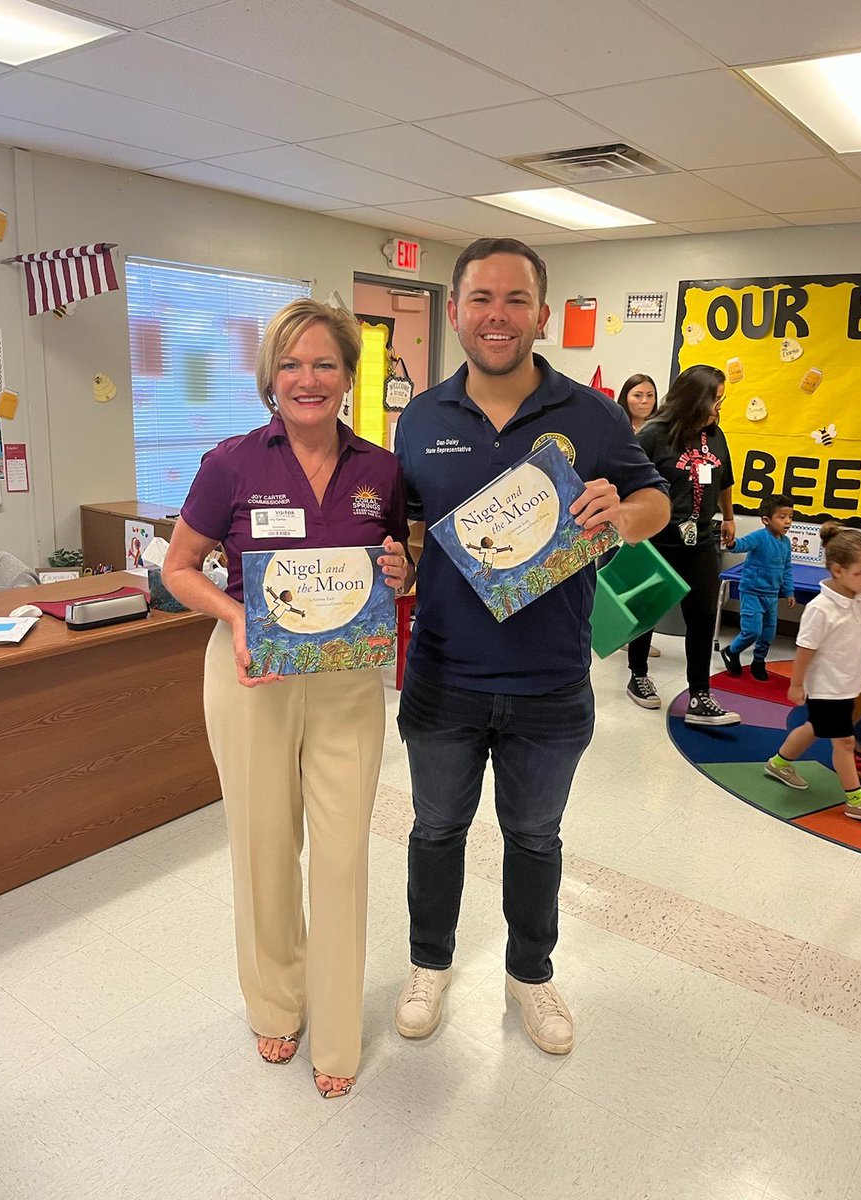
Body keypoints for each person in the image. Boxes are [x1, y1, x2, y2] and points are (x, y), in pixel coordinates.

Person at [392, 238, 670, 1055]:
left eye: (516, 300)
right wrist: (392, 562)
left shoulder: (593, 415)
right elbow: (407, 528)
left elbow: (653, 498)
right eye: (481, 298)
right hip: (443, 674)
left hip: (551, 680)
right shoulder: (423, 417)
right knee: (435, 831)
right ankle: (429, 964)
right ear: (455, 312)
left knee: (536, 838)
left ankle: (532, 974)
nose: (498, 315)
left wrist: (620, 516)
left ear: (542, 314)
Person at [162, 298, 411, 1100]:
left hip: (346, 686)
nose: (308, 379)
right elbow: (179, 569)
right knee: (265, 849)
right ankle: (275, 1002)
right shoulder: (230, 462)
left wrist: (402, 572)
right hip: (251, 681)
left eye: (325, 364)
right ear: (271, 376)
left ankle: (337, 1033)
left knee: (341, 857)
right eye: (292, 364)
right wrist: (236, 616)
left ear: (347, 375)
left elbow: (394, 562)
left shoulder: (380, 468)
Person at [625, 365, 741, 726]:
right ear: (695, 398)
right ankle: (638, 674)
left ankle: (700, 695)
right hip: (656, 540)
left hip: (702, 540)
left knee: (704, 617)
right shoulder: (655, 434)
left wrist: (730, 516)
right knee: (646, 611)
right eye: (715, 399)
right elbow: (625, 480)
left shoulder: (715, 433)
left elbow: (724, 478)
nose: (718, 406)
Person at [765, 523, 861, 821]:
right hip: (827, 687)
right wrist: (797, 684)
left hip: (847, 685)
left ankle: (778, 762)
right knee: (845, 742)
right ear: (838, 570)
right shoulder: (821, 608)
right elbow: (805, 649)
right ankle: (855, 800)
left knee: (815, 728)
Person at [720, 494, 796, 681]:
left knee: (768, 633)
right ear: (766, 520)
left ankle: (758, 662)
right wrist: (732, 543)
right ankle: (731, 651)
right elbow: (743, 544)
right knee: (752, 631)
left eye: (790, 517)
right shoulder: (760, 537)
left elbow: (786, 568)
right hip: (752, 592)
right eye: (782, 517)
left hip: (772, 596)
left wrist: (789, 591)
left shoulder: (786, 543)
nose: (787, 521)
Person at [617, 373, 662, 657]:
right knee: (619, 576)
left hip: (647, 513)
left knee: (644, 580)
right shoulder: (617, 426)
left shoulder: (661, 430)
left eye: (649, 395)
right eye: (637, 395)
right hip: (619, 512)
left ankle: (640, 637)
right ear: (626, 397)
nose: (644, 401)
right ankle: (621, 631)